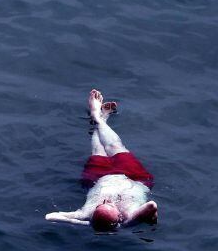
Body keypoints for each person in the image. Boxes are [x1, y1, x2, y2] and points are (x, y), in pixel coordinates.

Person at [45, 89, 158, 232]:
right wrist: (127, 223)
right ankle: (99, 119)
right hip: (134, 178)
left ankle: (98, 118)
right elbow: (152, 205)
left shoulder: (85, 214)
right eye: (109, 205)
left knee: (98, 151)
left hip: (99, 179)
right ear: (118, 217)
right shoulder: (130, 216)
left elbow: (50, 217)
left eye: (100, 205)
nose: (106, 201)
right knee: (115, 147)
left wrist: (87, 222)